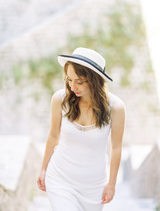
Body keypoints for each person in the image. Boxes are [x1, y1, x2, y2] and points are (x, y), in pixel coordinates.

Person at [37, 47, 125, 211]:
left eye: (80, 81)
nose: (72, 86)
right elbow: (53, 136)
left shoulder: (116, 107)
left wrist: (112, 184)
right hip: (60, 178)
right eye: (69, 80)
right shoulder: (59, 99)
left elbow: (116, 147)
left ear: (95, 80)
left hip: (94, 187)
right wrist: (43, 169)